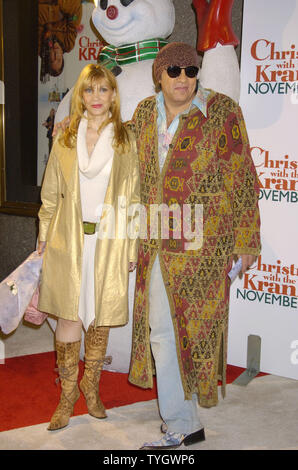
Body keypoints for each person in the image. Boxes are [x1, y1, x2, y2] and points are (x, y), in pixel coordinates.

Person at [127, 42, 261, 449]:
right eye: (174, 71)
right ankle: (184, 422)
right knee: (162, 334)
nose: (183, 78)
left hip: (204, 249)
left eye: (190, 70)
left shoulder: (222, 111)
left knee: (189, 334)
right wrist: (74, 129)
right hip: (155, 244)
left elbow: (242, 176)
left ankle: (183, 422)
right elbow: (126, 168)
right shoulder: (143, 114)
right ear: (159, 76)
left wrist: (246, 240)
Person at [37, 63, 140, 431]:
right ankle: (67, 395)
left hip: (109, 241)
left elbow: (134, 197)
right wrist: (43, 239)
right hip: (68, 239)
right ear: (80, 96)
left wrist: (131, 249)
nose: (96, 98)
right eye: (89, 90)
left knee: (98, 316)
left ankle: (90, 387)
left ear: (113, 95)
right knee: (69, 315)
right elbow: (50, 194)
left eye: (103, 90)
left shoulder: (126, 140)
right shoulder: (65, 137)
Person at [38, 0, 82, 82]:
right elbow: (75, 11)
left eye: (52, 59)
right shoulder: (68, 43)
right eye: (59, 60)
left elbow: (38, 14)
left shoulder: (39, 46)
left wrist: (58, 14)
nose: (56, 55)